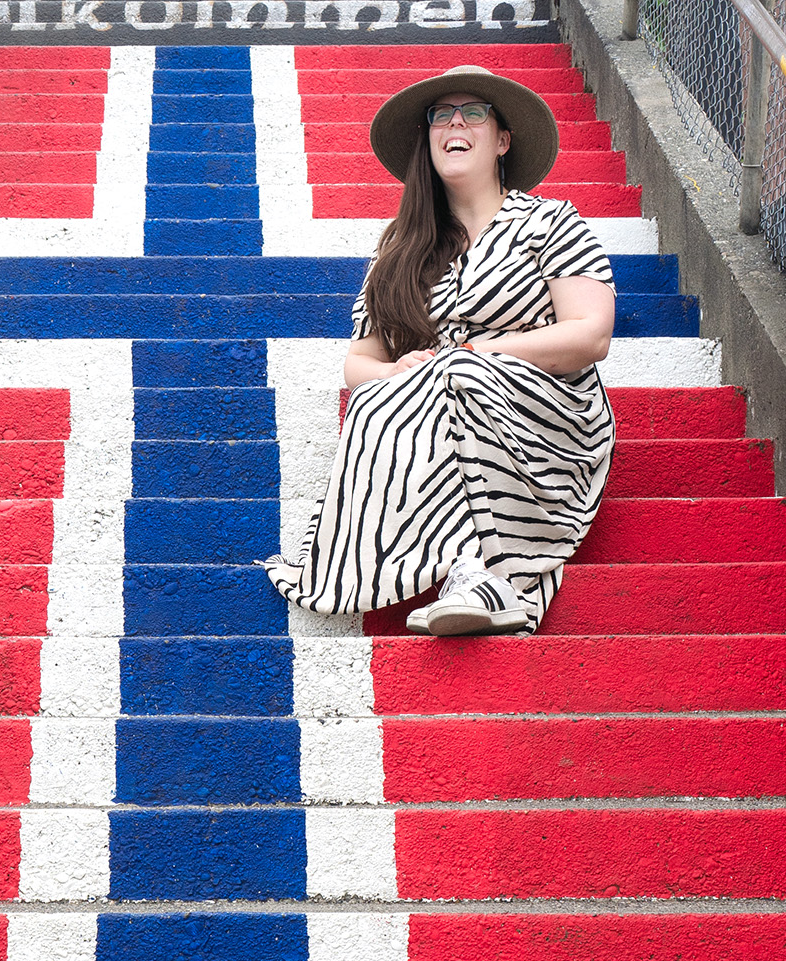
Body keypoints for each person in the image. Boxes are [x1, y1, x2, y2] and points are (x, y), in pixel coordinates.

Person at [263, 63, 617, 635]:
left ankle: (490, 574)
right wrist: (395, 371)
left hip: (549, 418)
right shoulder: (400, 250)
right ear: (428, 140)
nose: (455, 122)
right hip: (439, 407)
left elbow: (590, 334)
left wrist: (485, 352)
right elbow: (358, 363)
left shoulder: (550, 222)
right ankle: (465, 570)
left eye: (472, 112)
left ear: (501, 140)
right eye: (440, 115)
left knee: (462, 373)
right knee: (378, 401)